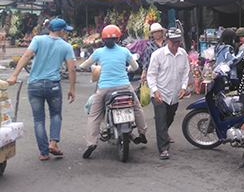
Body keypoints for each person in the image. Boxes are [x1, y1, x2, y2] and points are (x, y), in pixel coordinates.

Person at [7, 18, 76, 161]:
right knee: (56, 115)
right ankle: (53, 143)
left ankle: (44, 153)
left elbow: (26, 56)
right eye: (65, 31)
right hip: (53, 85)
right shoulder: (66, 46)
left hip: (34, 85)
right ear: (61, 31)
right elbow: (71, 69)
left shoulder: (38, 39)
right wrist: (72, 88)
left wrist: (14, 75)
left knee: (39, 120)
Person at [79, 25, 147, 159]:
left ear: (103, 40)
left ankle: (91, 143)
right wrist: (128, 69)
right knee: (137, 108)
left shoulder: (98, 52)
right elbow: (136, 67)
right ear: (118, 38)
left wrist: (81, 67)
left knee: (94, 115)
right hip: (124, 87)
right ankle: (142, 132)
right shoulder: (124, 51)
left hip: (105, 88)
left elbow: (85, 64)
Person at [147, 28, 190, 160]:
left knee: (169, 116)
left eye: (178, 42)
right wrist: (155, 90)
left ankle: (163, 133)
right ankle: (163, 149)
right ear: (167, 41)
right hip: (160, 92)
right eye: (173, 42)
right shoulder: (158, 55)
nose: (176, 45)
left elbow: (186, 72)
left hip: (175, 94)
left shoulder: (183, 54)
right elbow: (151, 75)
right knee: (161, 119)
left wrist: (183, 87)